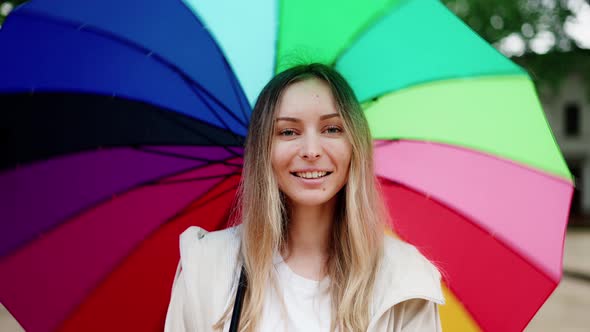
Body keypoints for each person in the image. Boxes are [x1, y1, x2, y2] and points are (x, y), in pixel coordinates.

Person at [164, 63, 444, 332]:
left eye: (332, 129)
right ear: (264, 151)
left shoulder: (404, 279)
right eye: (288, 131)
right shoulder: (206, 266)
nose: (311, 150)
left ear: (354, 147)